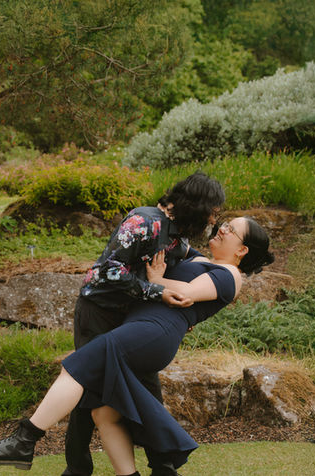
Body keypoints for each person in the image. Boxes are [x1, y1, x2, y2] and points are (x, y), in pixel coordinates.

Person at [0, 216, 274, 475]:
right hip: (140, 328)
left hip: (154, 331)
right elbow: (166, 242)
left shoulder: (231, 276)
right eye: (225, 223)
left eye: (231, 230)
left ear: (242, 250)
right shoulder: (198, 259)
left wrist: (157, 279)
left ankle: (24, 440)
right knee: (104, 413)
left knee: (76, 367)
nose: (222, 229)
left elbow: (187, 293)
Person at [63, 172, 225, 476]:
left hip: (133, 316)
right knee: (88, 385)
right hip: (98, 311)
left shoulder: (179, 233)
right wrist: (158, 292)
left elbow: (185, 259)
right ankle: (77, 469)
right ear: (197, 206)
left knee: (149, 387)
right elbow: (107, 271)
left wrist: (185, 307)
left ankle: (163, 467)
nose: (213, 220)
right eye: (212, 212)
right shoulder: (143, 222)